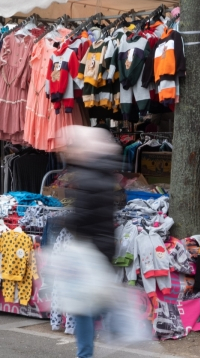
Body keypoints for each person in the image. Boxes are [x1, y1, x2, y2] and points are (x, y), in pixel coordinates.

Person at [62, 126, 120, 358]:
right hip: (104, 246)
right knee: (94, 301)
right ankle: (114, 321)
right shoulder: (105, 174)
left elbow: (82, 215)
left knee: (83, 307)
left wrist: (61, 223)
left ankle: (84, 354)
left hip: (89, 249)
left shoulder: (87, 177)